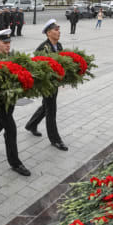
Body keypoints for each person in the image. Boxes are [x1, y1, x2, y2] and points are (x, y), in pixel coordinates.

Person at [0, 29, 31, 176]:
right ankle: (15, 163)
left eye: (9, 42)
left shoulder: (13, 56)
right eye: (5, 43)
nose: (8, 45)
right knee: (10, 128)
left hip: (11, 99)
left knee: (0, 122)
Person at [25, 19, 68, 151]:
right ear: (49, 33)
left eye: (59, 29)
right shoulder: (43, 48)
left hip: (54, 83)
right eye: (56, 29)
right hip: (46, 84)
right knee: (51, 109)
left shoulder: (58, 45)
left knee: (46, 106)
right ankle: (55, 139)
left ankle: (31, 125)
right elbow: (37, 67)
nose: (59, 31)